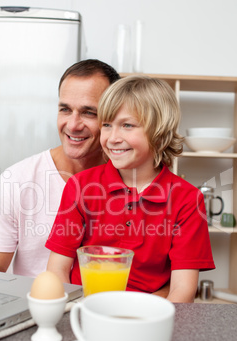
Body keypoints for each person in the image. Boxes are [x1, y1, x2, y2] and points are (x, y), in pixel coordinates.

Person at [45, 75, 215, 303]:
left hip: (145, 316)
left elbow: (182, 291)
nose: (113, 138)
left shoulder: (187, 200)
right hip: (82, 308)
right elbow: (57, 271)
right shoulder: (81, 186)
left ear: (158, 130)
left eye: (127, 125)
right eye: (107, 125)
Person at [0, 59, 121, 277]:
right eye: (65, 109)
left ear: (114, 115)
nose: (73, 125)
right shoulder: (17, 180)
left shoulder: (133, 179)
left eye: (89, 112)